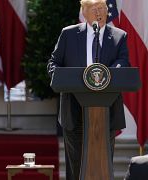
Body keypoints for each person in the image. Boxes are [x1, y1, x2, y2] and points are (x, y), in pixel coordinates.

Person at [47, 0, 130, 179]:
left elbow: (123, 62)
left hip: (106, 111)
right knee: (76, 165)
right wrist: (62, 77)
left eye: (102, 8)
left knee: (103, 163)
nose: (99, 12)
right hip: (74, 110)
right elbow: (53, 63)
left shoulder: (119, 36)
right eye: (94, 8)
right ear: (84, 12)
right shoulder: (68, 34)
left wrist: (112, 73)